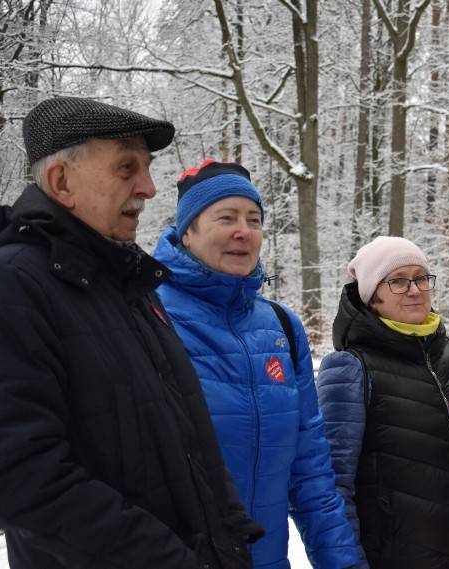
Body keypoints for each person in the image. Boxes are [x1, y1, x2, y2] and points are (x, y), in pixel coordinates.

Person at [0, 97, 264, 568]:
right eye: (127, 168)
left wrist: (230, 535)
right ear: (62, 182)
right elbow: (24, 475)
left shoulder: (130, 285)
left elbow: (190, 434)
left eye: (147, 168)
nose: (149, 187)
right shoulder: (15, 284)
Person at [153, 159, 359, 569]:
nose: (243, 232)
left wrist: (343, 563)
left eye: (254, 219)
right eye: (225, 217)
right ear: (187, 232)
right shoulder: (147, 316)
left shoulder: (282, 327)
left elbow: (310, 470)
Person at [315, 236, 449, 569]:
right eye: (398, 281)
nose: (415, 289)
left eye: (420, 277)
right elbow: (332, 485)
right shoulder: (351, 367)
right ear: (372, 296)